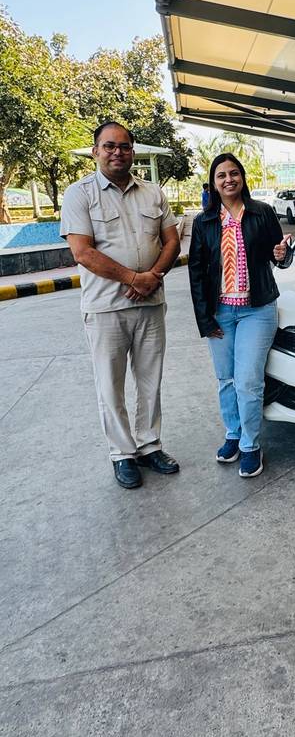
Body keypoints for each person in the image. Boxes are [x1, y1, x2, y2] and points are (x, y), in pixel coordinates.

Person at [61, 121, 181, 489]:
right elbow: (82, 252)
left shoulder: (153, 192)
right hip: (106, 308)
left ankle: (149, 447)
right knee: (110, 386)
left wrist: (153, 276)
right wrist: (134, 279)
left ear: (133, 150)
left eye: (125, 146)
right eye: (109, 146)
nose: (118, 152)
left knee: (150, 382)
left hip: (150, 305)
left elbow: (172, 240)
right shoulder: (79, 194)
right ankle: (122, 454)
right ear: (96, 150)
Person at [188, 154, 292, 477]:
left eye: (234, 173)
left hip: (256, 310)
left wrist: (282, 253)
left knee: (248, 380)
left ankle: (250, 443)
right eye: (221, 175)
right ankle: (233, 433)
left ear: (243, 177)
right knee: (226, 379)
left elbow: (281, 259)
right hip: (220, 312)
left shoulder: (261, 212)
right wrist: (205, 319)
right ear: (213, 182)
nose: (228, 179)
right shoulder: (203, 222)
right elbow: (196, 272)